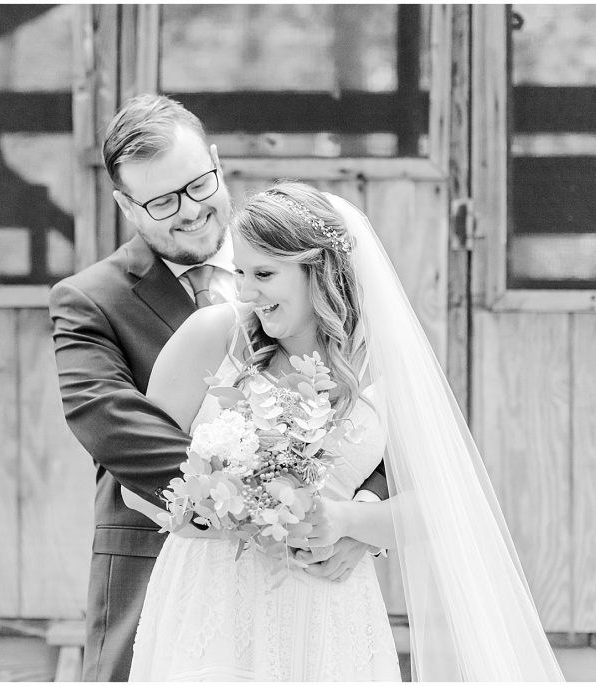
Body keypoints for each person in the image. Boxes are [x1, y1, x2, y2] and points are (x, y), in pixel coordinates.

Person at [125, 182, 566, 681]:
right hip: (212, 603)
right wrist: (221, 511)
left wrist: (348, 522)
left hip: (327, 610)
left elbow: (440, 506)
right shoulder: (211, 336)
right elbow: (135, 484)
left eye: (264, 274)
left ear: (319, 271)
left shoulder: (383, 364)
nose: (246, 292)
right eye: (240, 273)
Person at [49, 97, 388, 681]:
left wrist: (355, 517)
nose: (188, 212)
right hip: (166, 572)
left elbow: (383, 438)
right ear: (126, 206)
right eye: (160, 201)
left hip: (317, 589)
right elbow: (113, 425)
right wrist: (267, 502)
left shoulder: (306, 269)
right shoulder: (90, 300)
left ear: (214, 162)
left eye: (196, 185)